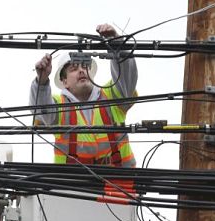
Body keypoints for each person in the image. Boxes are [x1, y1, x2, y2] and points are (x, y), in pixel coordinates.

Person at [30, 23, 137, 167]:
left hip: (119, 184)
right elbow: (41, 109)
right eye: (74, 68)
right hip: (73, 186)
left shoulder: (111, 94)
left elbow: (126, 77)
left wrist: (116, 43)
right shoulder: (58, 104)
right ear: (64, 81)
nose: (81, 71)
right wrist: (41, 81)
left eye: (85, 67)